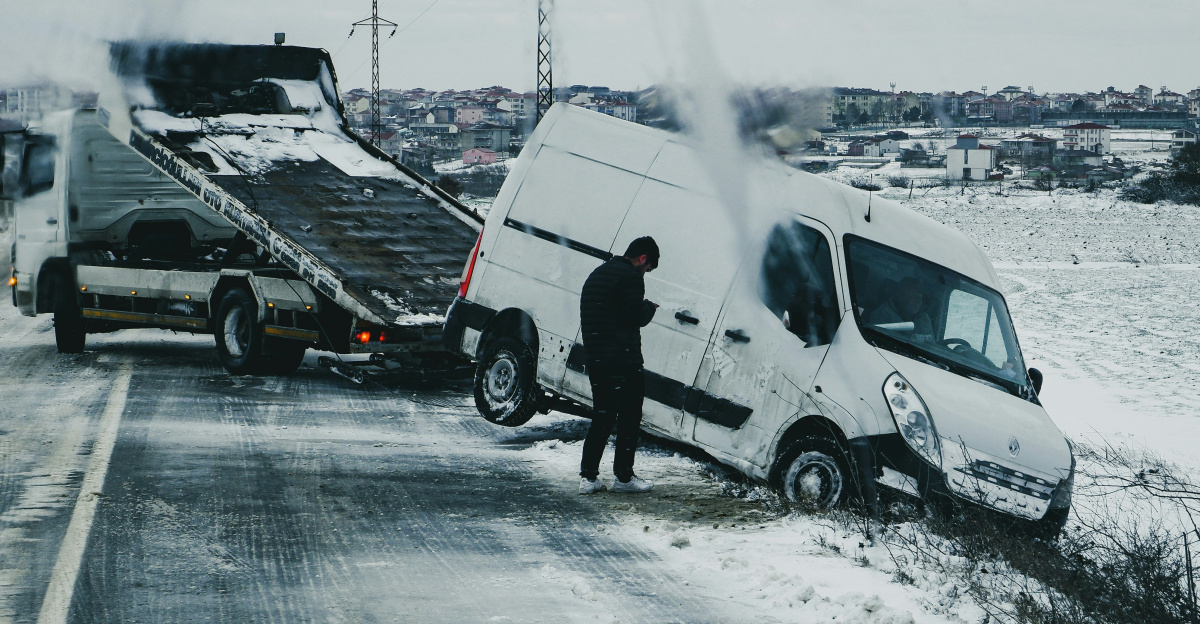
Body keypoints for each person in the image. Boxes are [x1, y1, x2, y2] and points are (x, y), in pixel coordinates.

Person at [578, 236, 660, 495]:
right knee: (629, 417)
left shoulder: (598, 273)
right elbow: (634, 316)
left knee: (602, 417)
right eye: (648, 269)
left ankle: (588, 478)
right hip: (623, 361)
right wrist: (649, 308)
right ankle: (624, 478)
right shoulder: (631, 277)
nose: (645, 273)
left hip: (597, 358)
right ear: (643, 259)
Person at [865, 276, 933, 341]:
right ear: (901, 297)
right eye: (913, 298)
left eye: (920, 298)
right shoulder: (882, 314)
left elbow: (931, 345)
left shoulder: (923, 318)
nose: (918, 302)